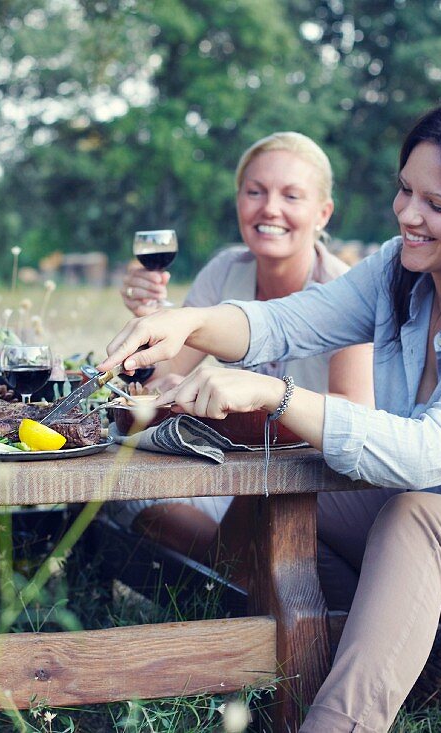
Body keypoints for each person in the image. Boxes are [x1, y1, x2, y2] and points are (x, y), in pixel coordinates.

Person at [100, 99, 441, 732]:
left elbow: (424, 454)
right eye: (405, 191)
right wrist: (186, 321)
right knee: (296, 483)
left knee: (417, 518)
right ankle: (269, 667)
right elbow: (289, 320)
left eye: (437, 206)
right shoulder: (398, 273)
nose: (409, 215)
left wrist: (277, 396)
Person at [112, 131, 374, 570]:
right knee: (118, 495)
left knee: (150, 507)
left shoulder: (344, 291)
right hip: (235, 464)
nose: (269, 208)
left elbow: (354, 409)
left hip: (309, 476)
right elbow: (158, 381)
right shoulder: (225, 271)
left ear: (322, 212)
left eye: (291, 195)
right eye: (255, 192)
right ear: (239, 202)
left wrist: (259, 393)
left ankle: (232, 563)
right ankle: (236, 558)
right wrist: (151, 322)